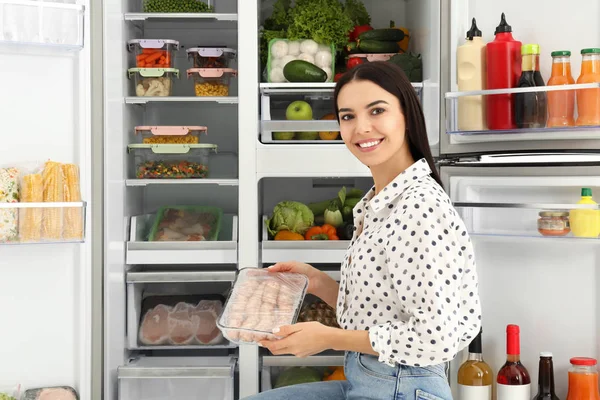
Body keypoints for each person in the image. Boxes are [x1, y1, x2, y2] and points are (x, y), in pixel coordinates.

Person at [245, 62, 482, 400]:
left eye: (377, 110)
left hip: (404, 385)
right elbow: (380, 307)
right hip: (371, 378)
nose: (361, 128)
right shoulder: (382, 201)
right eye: (348, 116)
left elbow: (434, 338)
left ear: (407, 113)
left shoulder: (419, 208)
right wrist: (317, 282)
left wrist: (328, 337)